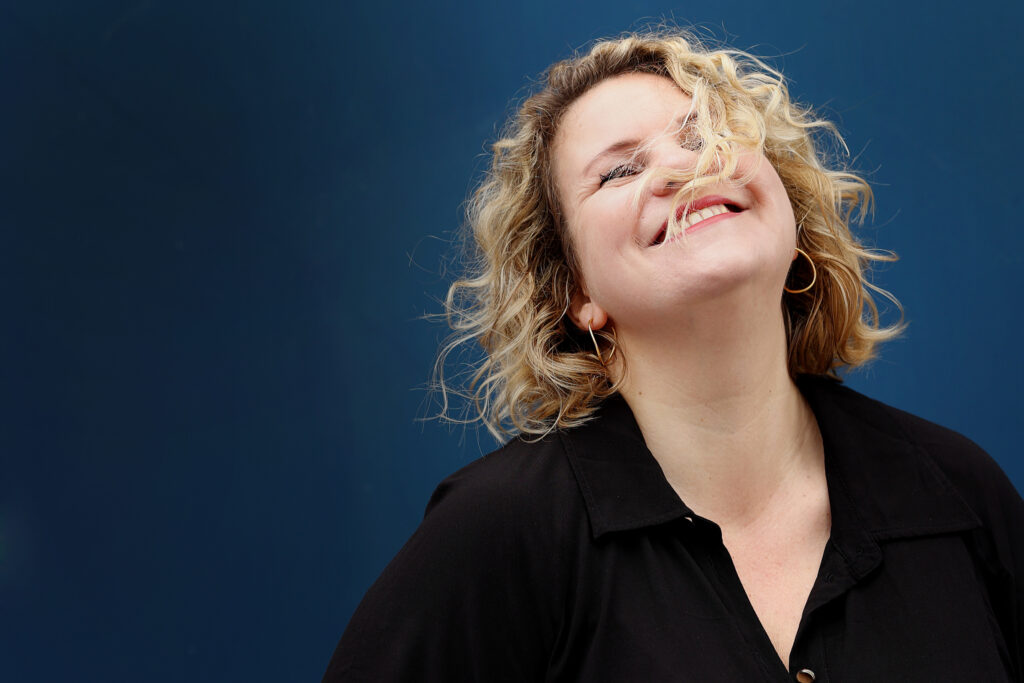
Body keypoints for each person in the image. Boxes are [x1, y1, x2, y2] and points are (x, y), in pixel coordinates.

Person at [323, 30, 1023, 682]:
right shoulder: (500, 532)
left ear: (792, 220)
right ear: (575, 292)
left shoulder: (958, 492)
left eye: (706, 135)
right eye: (619, 171)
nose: (683, 167)